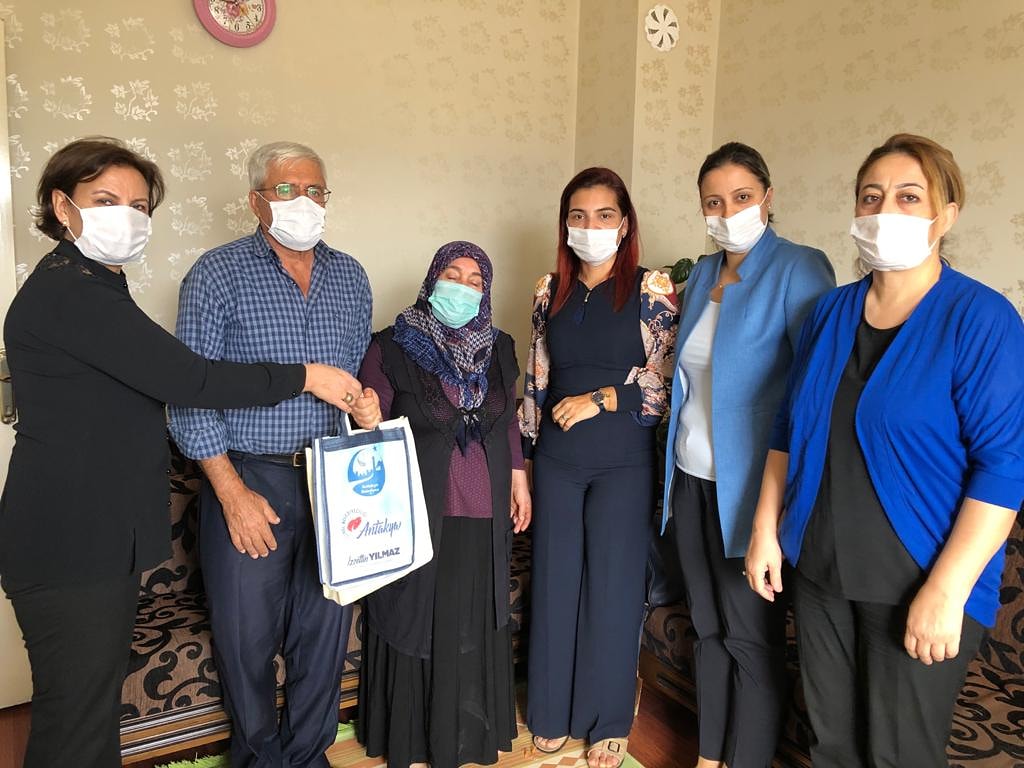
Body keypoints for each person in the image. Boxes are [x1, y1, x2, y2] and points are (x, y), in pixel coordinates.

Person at [0, 137, 362, 768]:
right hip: (77, 534)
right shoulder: (73, 292)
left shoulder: (96, 285)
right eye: (105, 200)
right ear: (62, 206)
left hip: (107, 531)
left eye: (139, 205)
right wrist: (304, 378)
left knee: (87, 713)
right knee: (78, 719)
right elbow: (192, 381)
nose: (127, 216)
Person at [745, 133, 1024, 767]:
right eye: (871, 197)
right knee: (831, 746)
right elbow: (787, 428)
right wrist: (765, 530)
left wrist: (946, 591)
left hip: (917, 580)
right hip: (819, 570)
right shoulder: (828, 314)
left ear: (945, 216)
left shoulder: (980, 319)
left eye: (908, 197)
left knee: (899, 755)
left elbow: (1004, 468)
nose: (884, 210)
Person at [168, 141, 376, 768]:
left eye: (315, 190)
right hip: (250, 476)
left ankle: (309, 756)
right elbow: (189, 395)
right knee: (246, 640)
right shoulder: (217, 274)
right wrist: (231, 492)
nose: (302, 201)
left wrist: (365, 411)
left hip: (333, 478)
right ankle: (258, 759)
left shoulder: (351, 277)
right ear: (256, 201)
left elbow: (350, 380)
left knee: (324, 633)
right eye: (286, 189)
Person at [661, 143, 835, 768]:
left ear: (767, 196)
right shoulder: (704, 274)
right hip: (690, 478)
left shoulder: (798, 268)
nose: (727, 212)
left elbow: (812, 394)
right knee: (707, 628)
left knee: (750, 637)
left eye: (741, 197)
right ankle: (710, 756)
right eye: (713, 202)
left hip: (753, 489)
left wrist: (781, 506)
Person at [521, 167, 679, 768]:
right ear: (565, 224)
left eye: (604, 215)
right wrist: (523, 465)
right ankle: (549, 711)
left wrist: (604, 397)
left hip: (622, 462)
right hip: (557, 462)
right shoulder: (549, 290)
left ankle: (609, 718)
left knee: (613, 587)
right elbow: (536, 378)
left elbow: (667, 384)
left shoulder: (652, 288)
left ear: (625, 223)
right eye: (578, 216)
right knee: (556, 582)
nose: (590, 226)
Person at [355, 241, 531, 768]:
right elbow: (370, 421)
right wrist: (366, 413)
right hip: (417, 507)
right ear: (432, 280)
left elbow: (508, 421)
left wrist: (519, 478)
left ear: (486, 292)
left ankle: (467, 735)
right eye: (452, 274)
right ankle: (413, 738)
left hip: (485, 506)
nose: (463, 287)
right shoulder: (391, 345)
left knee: (473, 616)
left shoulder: (500, 346)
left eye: (475, 280)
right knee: (416, 612)